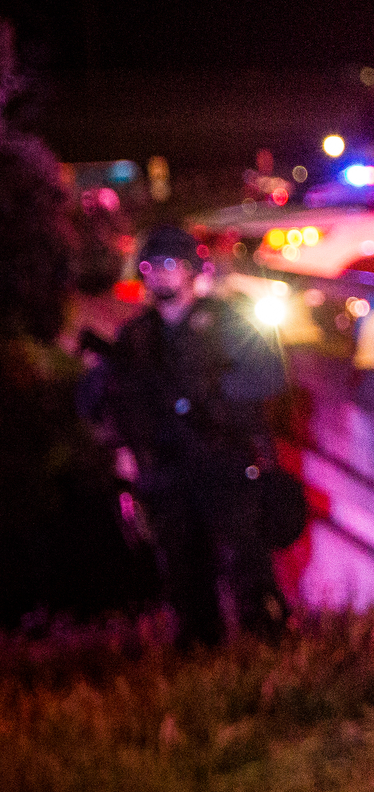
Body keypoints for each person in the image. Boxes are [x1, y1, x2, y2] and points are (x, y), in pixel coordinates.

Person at [79, 223, 291, 645]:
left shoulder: (227, 320)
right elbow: (112, 402)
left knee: (246, 563)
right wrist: (123, 451)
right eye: (149, 266)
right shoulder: (136, 336)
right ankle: (200, 656)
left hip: (224, 461)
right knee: (182, 573)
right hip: (167, 471)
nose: (158, 273)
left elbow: (270, 375)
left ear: (192, 269)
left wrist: (212, 398)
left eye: (169, 264)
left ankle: (270, 649)